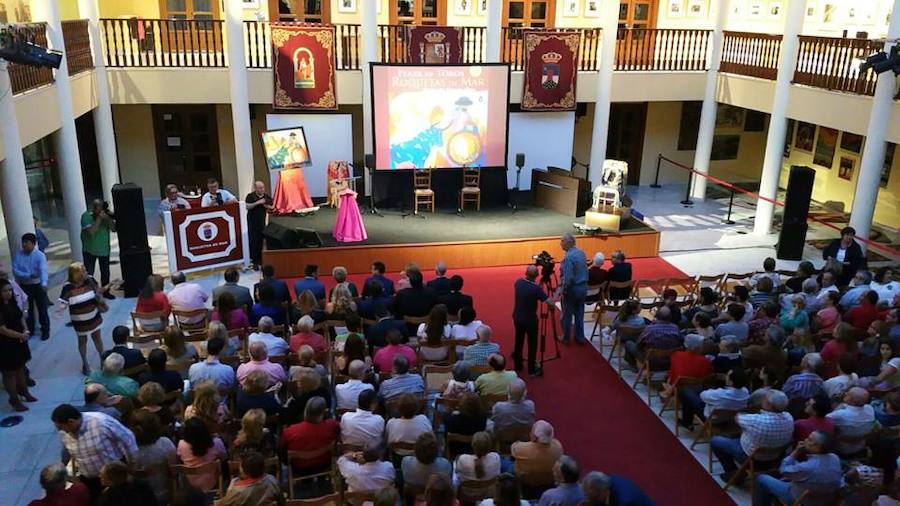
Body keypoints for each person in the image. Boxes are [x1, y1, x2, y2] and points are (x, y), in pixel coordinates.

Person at [51, 404, 137, 498]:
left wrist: (131, 467)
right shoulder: (64, 433)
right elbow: (72, 454)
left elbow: (128, 439)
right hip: (90, 480)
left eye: (60, 427)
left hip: (115, 478)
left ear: (70, 422)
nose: (59, 431)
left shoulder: (101, 422)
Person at [710, 390, 793, 481]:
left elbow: (737, 417)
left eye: (764, 399)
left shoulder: (756, 420)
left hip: (750, 457)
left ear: (769, 404)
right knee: (741, 433)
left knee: (715, 440)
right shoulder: (789, 417)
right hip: (773, 459)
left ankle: (734, 473)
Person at [753, 430, 842, 506]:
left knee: (761, 478)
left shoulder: (808, 467)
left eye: (809, 439)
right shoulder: (834, 458)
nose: (805, 440)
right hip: (823, 499)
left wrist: (796, 451)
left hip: (800, 498)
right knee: (789, 466)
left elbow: (783, 470)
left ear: (817, 447)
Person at [57, 262, 106, 375]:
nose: (85, 272)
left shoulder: (90, 280)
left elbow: (97, 291)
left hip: (94, 315)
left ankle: (102, 360)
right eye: (82, 271)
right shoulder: (67, 287)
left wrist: (105, 289)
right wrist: (60, 310)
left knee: (97, 338)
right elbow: (64, 301)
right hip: (79, 320)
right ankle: (85, 363)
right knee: (82, 341)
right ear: (75, 274)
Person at [126, 409, 178, 505]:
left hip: (140, 498)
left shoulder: (129, 450)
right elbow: (174, 473)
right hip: (165, 495)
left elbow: (129, 477)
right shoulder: (166, 443)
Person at [0, 278, 35, 411]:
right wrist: (21, 335)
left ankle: (24, 391)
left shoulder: (12, 303)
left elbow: (21, 316)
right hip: (5, 345)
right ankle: (14, 399)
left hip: (19, 341)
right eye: (4, 291)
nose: (8, 293)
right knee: (9, 373)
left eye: (10, 290)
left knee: (20, 368)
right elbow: (2, 329)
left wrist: (25, 329)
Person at [282, 396, 339, 472]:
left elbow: (283, 451)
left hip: (299, 467)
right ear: (324, 412)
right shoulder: (332, 425)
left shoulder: (290, 431)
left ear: (305, 411)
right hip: (324, 463)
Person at [680, 368, 749, 430]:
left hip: (712, 419)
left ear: (731, 382)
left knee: (686, 391)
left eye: (727, 376)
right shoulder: (746, 392)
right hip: (731, 418)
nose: (725, 377)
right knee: (697, 391)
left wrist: (712, 390)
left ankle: (687, 422)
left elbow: (703, 395)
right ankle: (687, 422)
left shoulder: (721, 394)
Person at [513, 265, 551, 376]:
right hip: (530, 320)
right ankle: (531, 369)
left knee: (518, 341)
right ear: (537, 275)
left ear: (526, 273)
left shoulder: (518, 282)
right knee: (532, 344)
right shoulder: (536, 289)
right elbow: (549, 302)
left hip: (517, 317)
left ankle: (518, 365)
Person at [13, 233, 50, 339]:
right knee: (27, 310)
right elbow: (15, 270)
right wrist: (28, 275)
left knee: (42, 309)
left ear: (33, 244)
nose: (24, 245)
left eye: (27, 243)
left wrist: (44, 284)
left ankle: (45, 331)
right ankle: (30, 330)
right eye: (23, 243)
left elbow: (43, 270)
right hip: (24, 286)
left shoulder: (39, 255)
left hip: (38, 285)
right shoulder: (18, 255)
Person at [177, 416, 228, 491]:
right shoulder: (216, 443)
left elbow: (179, 458)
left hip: (191, 486)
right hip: (212, 484)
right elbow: (224, 458)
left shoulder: (181, 444)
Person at [511, 420, 564, 492]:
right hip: (549, 483)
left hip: (526, 483)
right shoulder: (558, 447)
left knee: (506, 463)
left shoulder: (522, 449)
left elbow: (513, 447)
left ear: (534, 437)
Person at [219, 451, 283, 506]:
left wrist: (229, 491)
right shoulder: (272, 480)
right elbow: (281, 502)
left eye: (240, 466)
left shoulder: (237, 491)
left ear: (246, 472)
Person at [80, 199, 116, 297]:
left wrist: (108, 219)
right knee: (88, 273)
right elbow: (91, 231)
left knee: (105, 272)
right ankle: (89, 292)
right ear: (94, 208)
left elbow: (114, 229)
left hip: (104, 249)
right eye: (99, 208)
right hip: (89, 249)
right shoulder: (86, 216)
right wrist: (99, 219)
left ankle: (106, 292)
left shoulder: (106, 216)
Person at [557, 233, 588, 345]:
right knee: (580, 314)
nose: (560, 243)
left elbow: (568, 278)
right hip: (583, 288)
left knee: (567, 315)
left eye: (562, 241)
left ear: (567, 243)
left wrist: (564, 291)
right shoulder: (581, 253)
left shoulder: (569, 257)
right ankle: (580, 337)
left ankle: (566, 338)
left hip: (572, 289)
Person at [826, 386, 875, 456]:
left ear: (852, 399)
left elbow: (824, 419)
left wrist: (839, 405)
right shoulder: (870, 409)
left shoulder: (841, 414)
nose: (845, 394)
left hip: (842, 450)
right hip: (861, 446)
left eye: (848, 393)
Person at [244, 181, 273, 269]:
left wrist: (266, 206)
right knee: (253, 242)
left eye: (263, 187)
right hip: (252, 223)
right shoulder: (250, 196)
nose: (262, 190)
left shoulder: (266, 196)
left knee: (261, 241)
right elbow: (247, 206)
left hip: (262, 223)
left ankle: (261, 260)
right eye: (260, 188)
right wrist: (258, 203)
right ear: (255, 188)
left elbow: (272, 206)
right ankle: (254, 261)